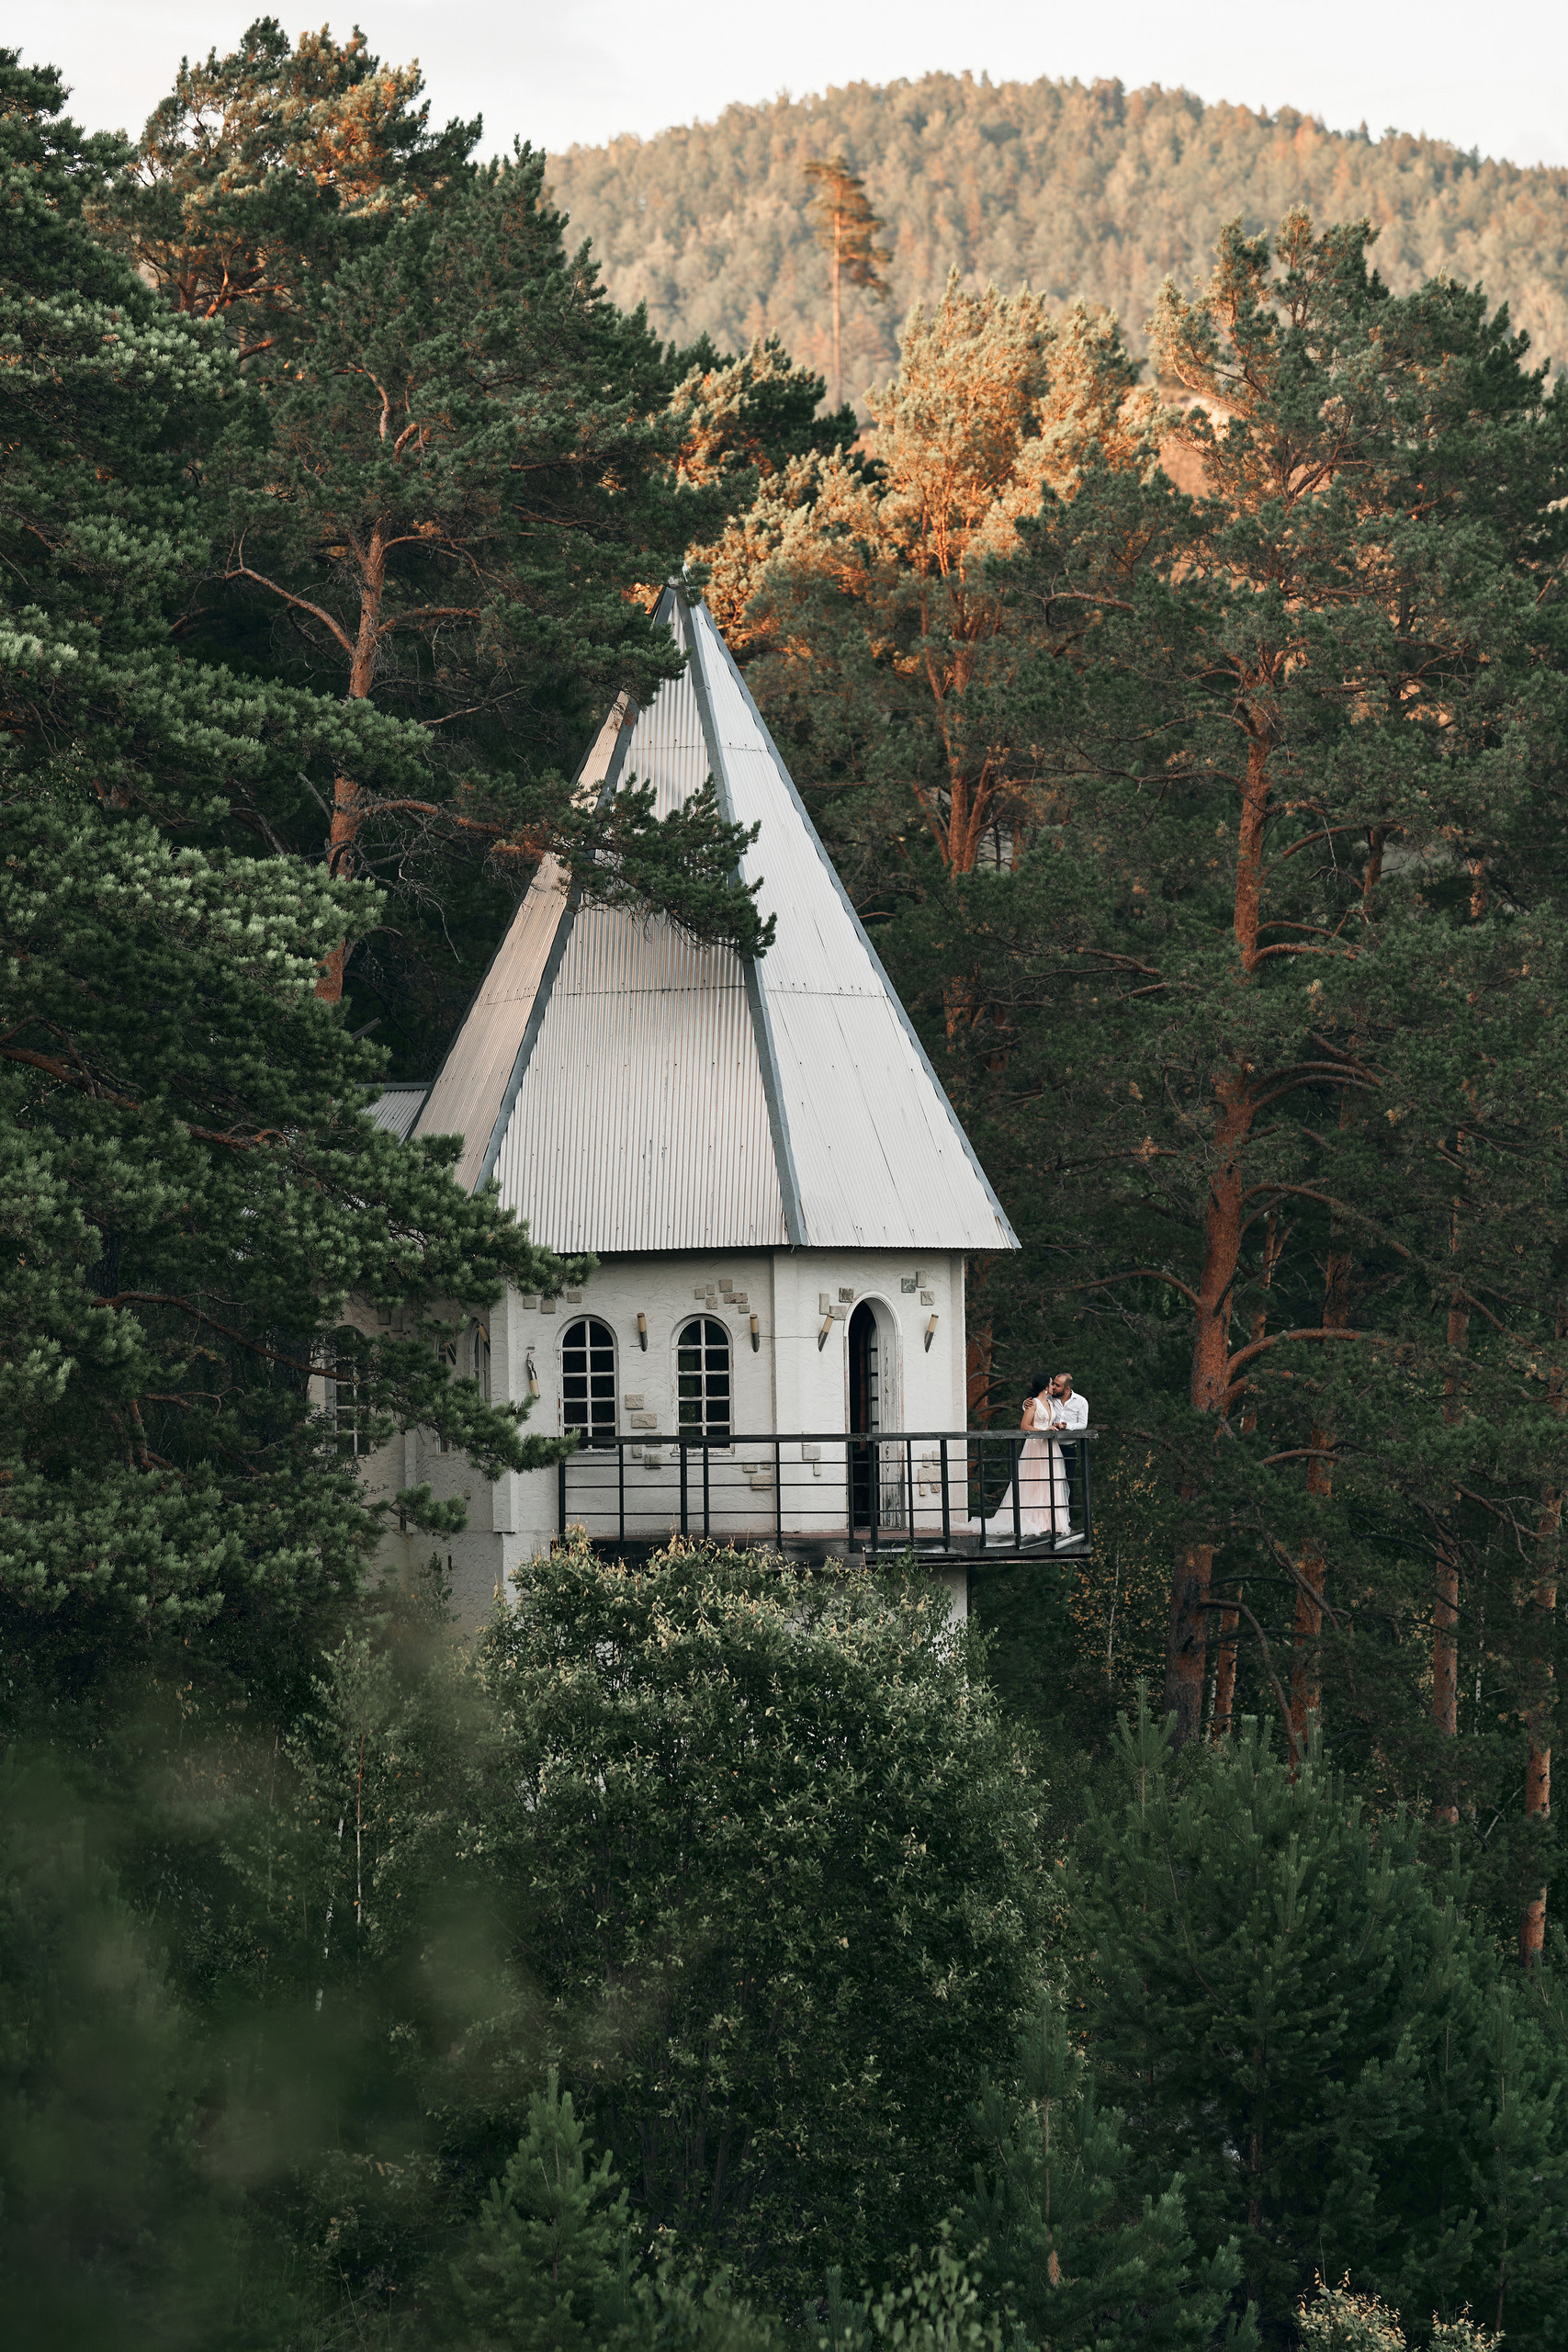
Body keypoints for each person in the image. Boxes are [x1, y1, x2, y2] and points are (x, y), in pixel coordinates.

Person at [971, 1372, 1066, 1543]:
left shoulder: (1051, 1403)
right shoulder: (1033, 1403)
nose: (1053, 1386)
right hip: (1036, 1446)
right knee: (1034, 1482)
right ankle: (1034, 1520)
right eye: (1051, 1383)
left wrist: (1056, 1426)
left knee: (1049, 1482)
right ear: (1045, 1386)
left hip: (1050, 1446)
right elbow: (1025, 1426)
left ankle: (1049, 1521)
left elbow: (1051, 1420)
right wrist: (1043, 1431)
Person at [1050, 1374, 1089, 1546]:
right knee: (1048, 1483)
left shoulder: (1081, 1401)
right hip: (1050, 1447)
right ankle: (1049, 1521)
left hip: (1068, 1448)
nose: (1053, 1387)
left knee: (1068, 1483)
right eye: (1053, 1384)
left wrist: (1067, 1426)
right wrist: (1025, 1404)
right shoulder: (1050, 1398)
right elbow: (1036, 1406)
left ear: (1067, 1389)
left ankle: (1065, 1522)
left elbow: (1083, 1424)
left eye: (1057, 1385)